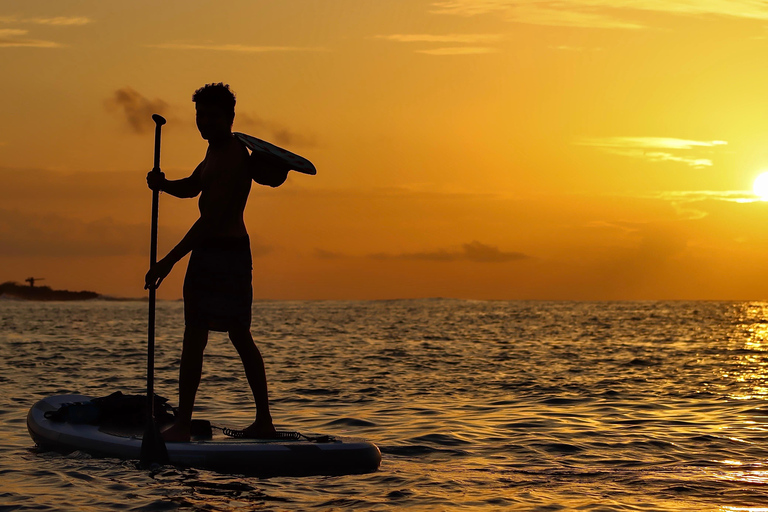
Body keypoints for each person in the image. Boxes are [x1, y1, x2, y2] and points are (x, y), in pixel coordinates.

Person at [144, 83, 287, 442]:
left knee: (238, 334)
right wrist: (164, 185)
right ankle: (185, 422)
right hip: (210, 253)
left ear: (230, 118)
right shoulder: (213, 152)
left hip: (227, 254)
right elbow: (194, 186)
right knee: (194, 335)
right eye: (200, 115)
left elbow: (209, 221)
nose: (204, 122)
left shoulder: (233, 155)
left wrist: (167, 262)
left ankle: (261, 422)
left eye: (212, 116)